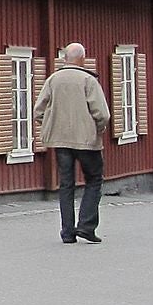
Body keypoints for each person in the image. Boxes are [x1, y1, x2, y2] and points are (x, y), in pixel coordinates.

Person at [36, 42, 111, 244]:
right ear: (82, 59)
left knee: (66, 184)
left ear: (65, 59)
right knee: (94, 179)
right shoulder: (88, 80)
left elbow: (38, 111)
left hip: (60, 141)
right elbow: (102, 114)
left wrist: (51, 124)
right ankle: (86, 226)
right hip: (86, 140)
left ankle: (67, 232)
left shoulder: (53, 80)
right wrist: (98, 128)